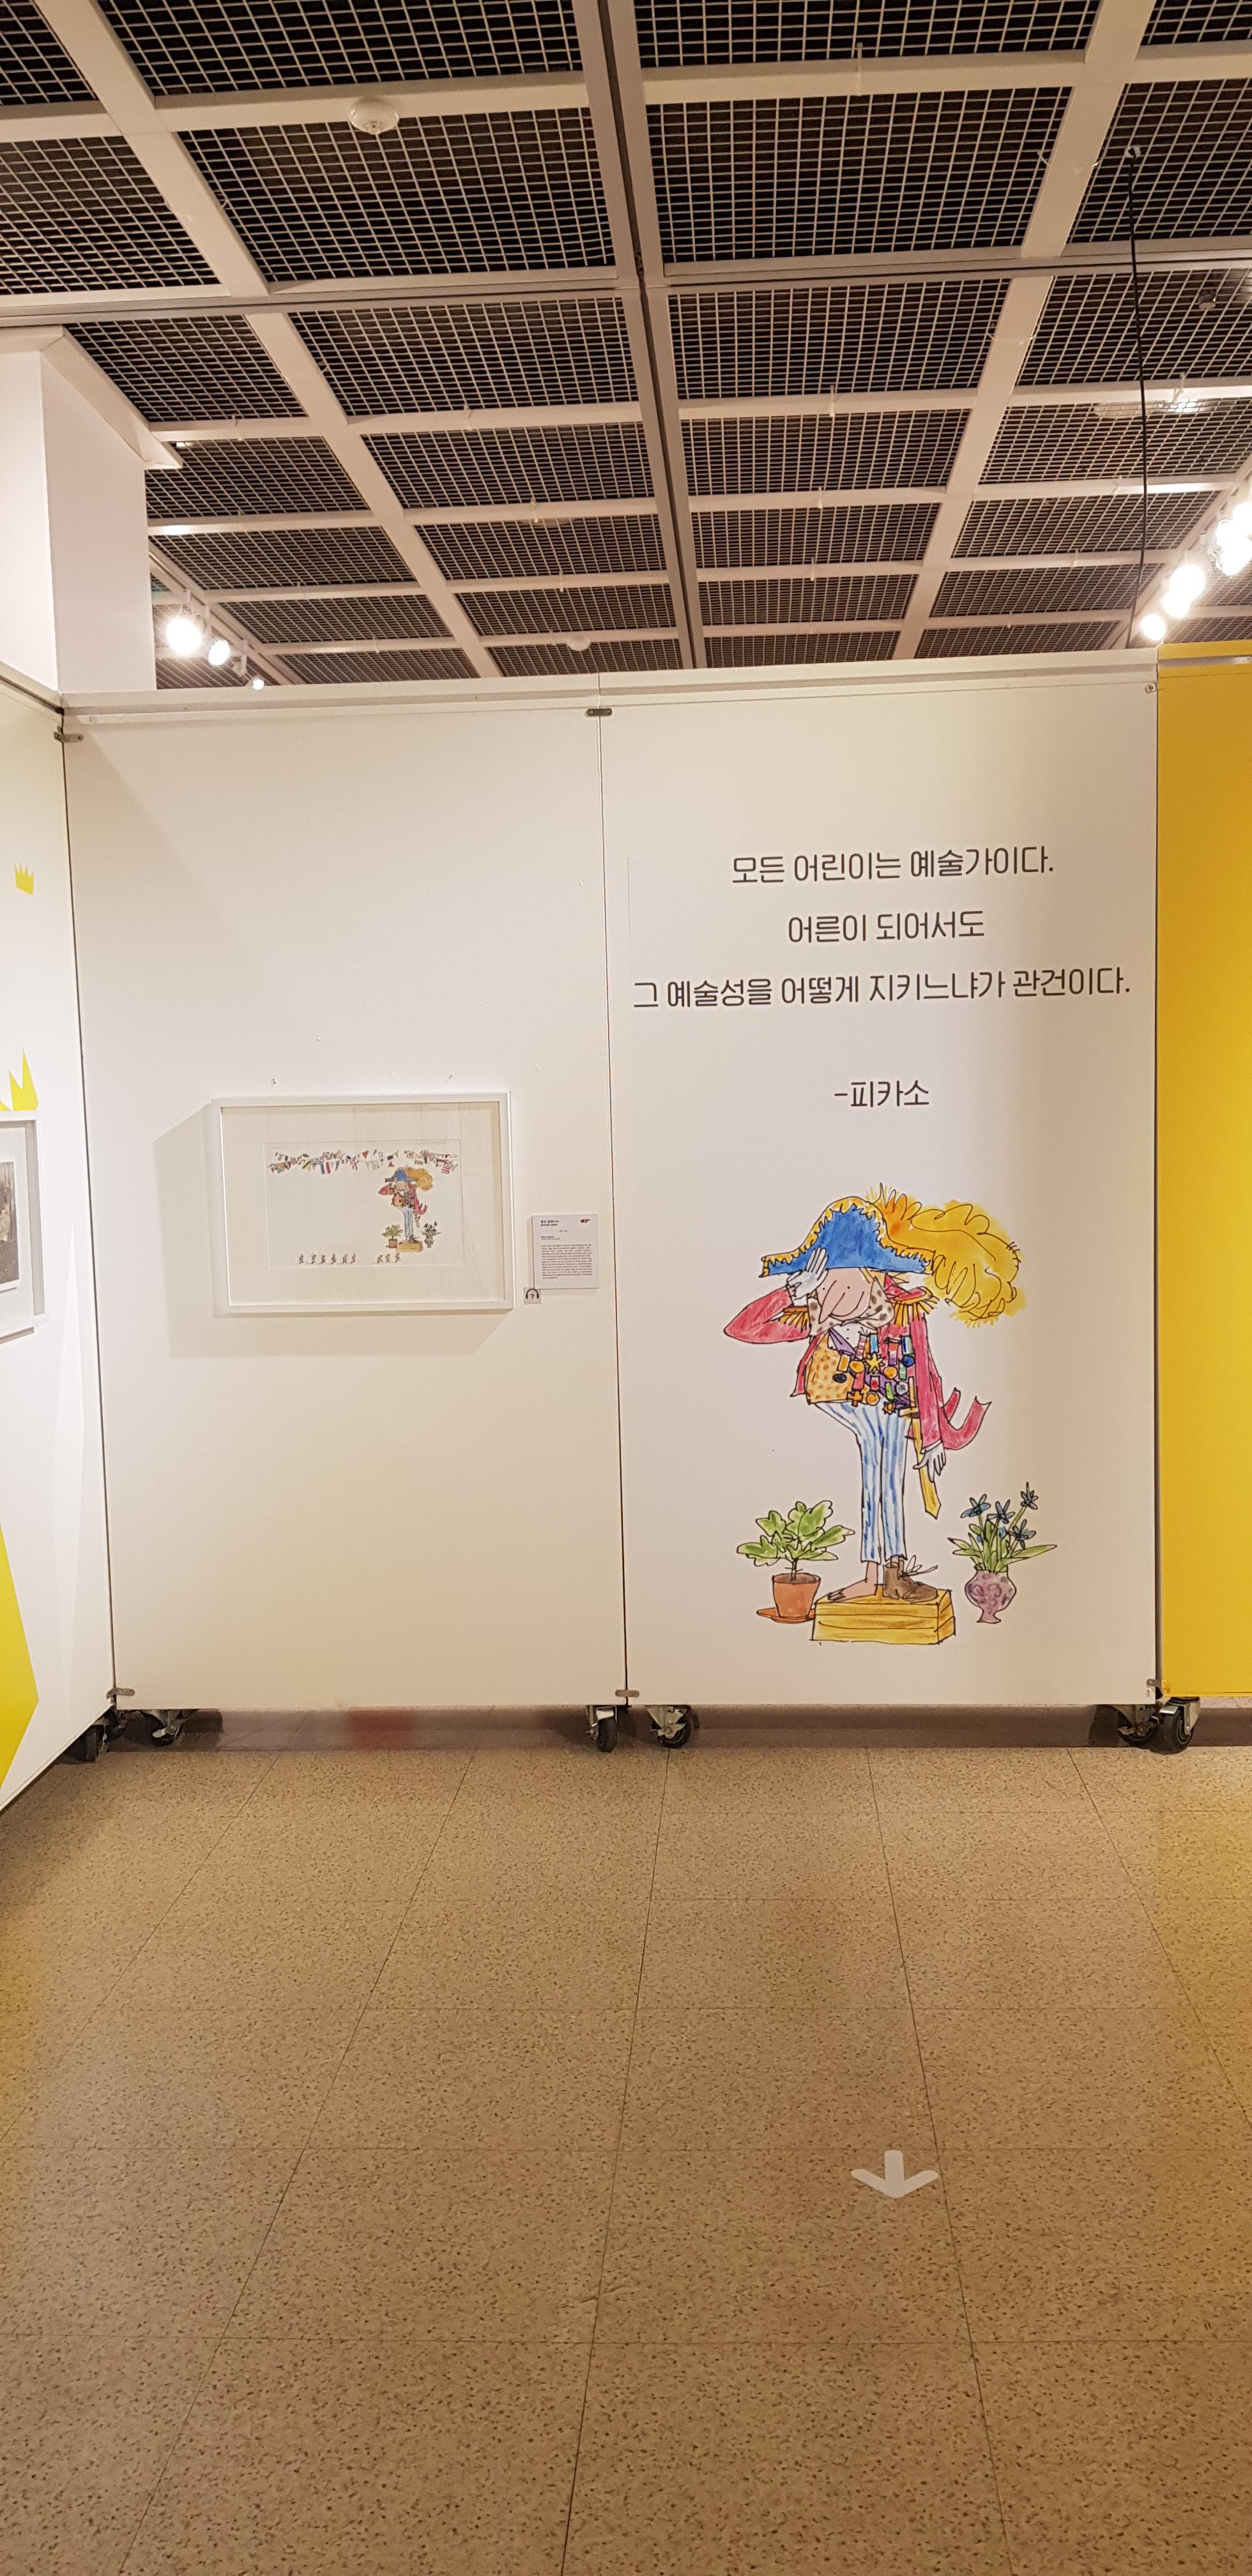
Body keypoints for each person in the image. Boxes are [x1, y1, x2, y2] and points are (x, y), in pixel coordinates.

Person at [726, 1190, 1021, 1605]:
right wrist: (791, 1293)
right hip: (844, 1396)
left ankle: (889, 1571)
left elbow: (924, 1371)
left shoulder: (903, 1312)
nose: (834, 1293)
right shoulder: (818, 1313)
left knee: (887, 1470)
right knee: (877, 1460)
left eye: (845, 1279)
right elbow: (743, 1328)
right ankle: (876, 1573)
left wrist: (932, 1437)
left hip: (894, 1402)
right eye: (827, 1281)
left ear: (872, 1275)